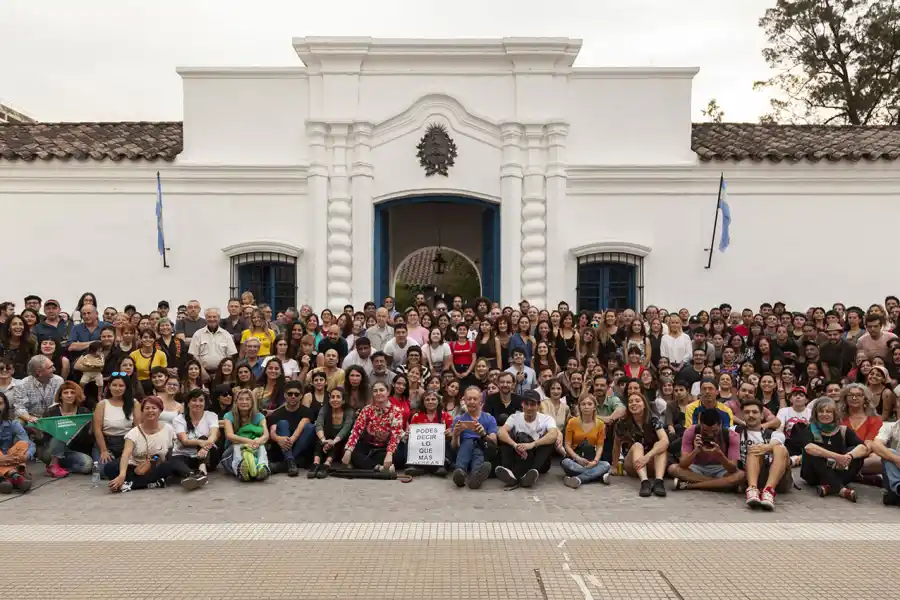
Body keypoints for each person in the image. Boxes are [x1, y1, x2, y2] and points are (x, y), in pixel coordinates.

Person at [795, 396, 868, 501]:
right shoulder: (809, 428)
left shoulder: (843, 430)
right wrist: (837, 457)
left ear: (834, 414)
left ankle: (829, 487)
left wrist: (849, 456)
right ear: (816, 414)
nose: (825, 414)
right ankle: (841, 490)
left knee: (856, 452)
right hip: (814, 474)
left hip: (839, 469)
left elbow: (863, 448)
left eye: (829, 411)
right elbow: (809, 448)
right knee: (814, 451)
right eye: (821, 411)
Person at [105, 396, 177, 493]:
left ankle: (129, 484)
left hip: (155, 467)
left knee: (167, 467)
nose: (150, 411)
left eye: (154, 408)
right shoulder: (133, 433)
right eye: (147, 408)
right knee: (109, 467)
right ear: (142, 411)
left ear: (160, 411)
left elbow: (171, 452)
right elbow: (126, 454)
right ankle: (150, 483)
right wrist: (122, 475)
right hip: (135, 467)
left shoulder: (168, 429)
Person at [669, 407, 745, 492]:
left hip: (721, 469)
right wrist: (695, 451)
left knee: (740, 475)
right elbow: (682, 464)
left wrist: (720, 455)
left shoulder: (732, 436)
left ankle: (691, 485)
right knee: (673, 469)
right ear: (700, 424)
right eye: (705, 431)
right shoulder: (690, 432)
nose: (710, 435)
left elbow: (733, 468)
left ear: (720, 425)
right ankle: (720, 484)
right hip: (697, 468)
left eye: (714, 431)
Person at [495, 390, 558, 489]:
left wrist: (532, 444)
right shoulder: (515, 417)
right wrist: (514, 445)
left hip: (538, 459)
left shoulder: (546, 419)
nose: (529, 408)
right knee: (506, 438)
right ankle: (510, 472)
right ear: (522, 404)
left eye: (532, 404)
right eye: (526, 404)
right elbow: (501, 432)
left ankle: (531, 473)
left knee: (548, 441)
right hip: (520, 455)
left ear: (538, 405)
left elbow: (554, 434)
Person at [737, 397, 792, 511]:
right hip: (753, 475)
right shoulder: (735, 431)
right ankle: (752, 490)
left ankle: (769, 491)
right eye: (747, 412)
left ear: (762, 415)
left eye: (755, 412)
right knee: (754, 449)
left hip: (778, 478)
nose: (751, 415)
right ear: (742, 416)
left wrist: (766, 447)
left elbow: (779, 439)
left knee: (780, 449)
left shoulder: (773, 433)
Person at [342, 381, 404, 472]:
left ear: (388, 392)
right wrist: (349, 450)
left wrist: (389, 453)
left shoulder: (396, 411)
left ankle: (369, 465)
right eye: (375, 391)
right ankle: (379, 468)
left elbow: (395, 435)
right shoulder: (366, 410)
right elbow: (356, 430)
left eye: (381, 390)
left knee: (399, 457)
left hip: (385, 448)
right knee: (349, 450)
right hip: (369, 446)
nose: (378, 393)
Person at [615, 393, 669, 497]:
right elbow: (616, 445)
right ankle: (645, 482)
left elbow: (665, 441)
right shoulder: (622, 423)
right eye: (630, 402)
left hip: (651, 462)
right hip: (632, 464)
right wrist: (614, 466)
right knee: (637, 445)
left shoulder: (653, 419)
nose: (633, 404)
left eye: (637, 401)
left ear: (644, 405)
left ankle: (659, 482)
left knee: (660, 445)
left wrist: (647, 456)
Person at [450, 385, 498, 489]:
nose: (472, 401)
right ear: (464, 400)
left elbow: (494, 440)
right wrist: (455, 434)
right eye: (469, 399)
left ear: (480, 401)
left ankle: (469, 475)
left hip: (483, 447)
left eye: (475, 399)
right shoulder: (459, 419)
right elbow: (454, 446)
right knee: (469, 442)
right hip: (463, 450)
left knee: (477, 449)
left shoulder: (489, 418)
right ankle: (467, 474)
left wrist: (483, 434)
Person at [170, 389, 220, 490]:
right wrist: (200, 442)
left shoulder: (211, 416)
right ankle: (192, 475)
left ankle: (202, 467)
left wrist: (205, 448)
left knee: (204, 437)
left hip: (209, 456)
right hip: (186, 455)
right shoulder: (179, 419)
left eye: (201, 400)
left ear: (205, 403)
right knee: (172, 461)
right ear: (188, 403)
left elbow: (213, 435)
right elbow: (185, 441)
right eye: (194, 400)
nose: (197, 403)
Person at [42, 382, 93, 478]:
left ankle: (59, 468)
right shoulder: (52, 412)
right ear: (60, 396)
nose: (69, 396)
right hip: (51, 451)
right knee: (62, 430)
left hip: (72, 451)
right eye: (66, 393)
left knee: (87, 465)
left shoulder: (84, 412)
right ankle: (54, 464)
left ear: (76, 395)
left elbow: (86, 439)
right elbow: (46, 436)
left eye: (72, 392)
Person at [268, 380, 319, 476]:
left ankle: (286, 463)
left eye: (296, 394)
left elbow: (303, 424)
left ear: (300, 396)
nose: (293, 396)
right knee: (283, 423)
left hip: (299, 447)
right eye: (290, 394)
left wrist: (291, 440)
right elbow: (272, 432)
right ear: (285, 395)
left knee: (310, 427)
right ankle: (291, 461)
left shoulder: (307, 411)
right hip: (282, 448)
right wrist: (278, 439)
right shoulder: (277, 413)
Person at [561, 394, 610, 488]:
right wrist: (577, 458)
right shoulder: (572, 422)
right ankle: (598, 476)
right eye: (583, 404)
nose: (586, 406)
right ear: (579, 406)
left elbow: (600, 446)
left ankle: (579, 479)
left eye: (589, 404)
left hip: (591, 460)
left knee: (606, 465)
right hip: (575, 460)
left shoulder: (600, 424)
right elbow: (567, 445)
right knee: (565, 462)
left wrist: (595, 461)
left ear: (594, 407)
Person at [222, 389, 271, 482]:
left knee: (261, 444)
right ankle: (240, 468)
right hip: (231, 454)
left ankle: (262, 467)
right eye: (241, 399)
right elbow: (230, 436)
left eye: (247, 399)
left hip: (254, 449)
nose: (244, 402)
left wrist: (257, 442)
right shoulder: (228, 416)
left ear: (252, 402)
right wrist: (249, 441)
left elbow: (266, 435)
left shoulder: (259, 416)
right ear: (236, 402)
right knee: (238, 443)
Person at [310, 387, 355, 479]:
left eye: (338, 397)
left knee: (336, 440)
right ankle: (316, 463)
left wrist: (333, 442)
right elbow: (319, 424)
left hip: (341, 442)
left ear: (343, 400)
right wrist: (323, 440)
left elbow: (346, 429)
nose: (335, 399)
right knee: (319, 436)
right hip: (326, 440)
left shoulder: (349, 411)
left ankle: (327, 464)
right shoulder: (325, 409)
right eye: (332, 397)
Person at [188, 308, 238, 374]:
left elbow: (230, 356)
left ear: (219, 318)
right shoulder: (198, 334)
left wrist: (222, 372)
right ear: (205, 318)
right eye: (209, 317)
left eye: (214, 317)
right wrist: (203, 372)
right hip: (202, 373)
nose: (212, 319)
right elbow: (194, 355)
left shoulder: (226, 334)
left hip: (222, 373)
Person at [0, 391, 32, 493]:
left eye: (0, 404)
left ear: (5, 406)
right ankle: (14, 475)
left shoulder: (13, 423)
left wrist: (25, 456)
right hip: (6, 461)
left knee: (23, 444)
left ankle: (8, 478)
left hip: (9, 458)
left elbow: (29, 443)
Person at [872, 418, 900, 505]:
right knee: (889, 452)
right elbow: (876, 445)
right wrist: (896, 459)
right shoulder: (889, 426)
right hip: (896, 470)